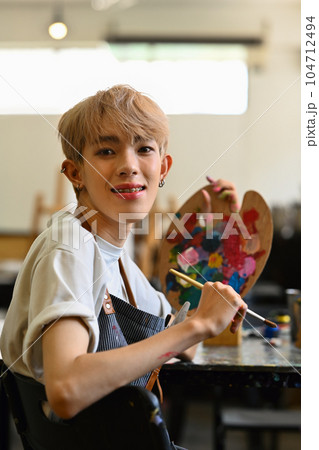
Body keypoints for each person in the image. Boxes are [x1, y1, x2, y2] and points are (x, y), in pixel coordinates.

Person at [0, 85, 246, 430]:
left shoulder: (115, 252)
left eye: (144, 148)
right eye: (106, 150)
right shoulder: (71, 247)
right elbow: (66, 390)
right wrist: (198, 326)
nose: (129, 165)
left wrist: (212, 251)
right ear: (75, 172)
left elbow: (183, 339)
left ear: (163, 168)